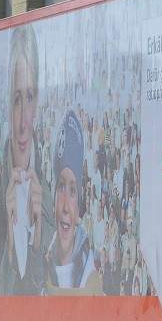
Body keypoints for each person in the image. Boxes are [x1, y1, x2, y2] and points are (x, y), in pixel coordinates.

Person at [0, 26, 53, 294]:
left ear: (37, 101)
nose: (23, 121)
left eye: (29, 97)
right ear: (7, 104)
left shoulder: (54, 200)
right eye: (16, 99)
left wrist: (34, 249)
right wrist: (10, 251)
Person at [45, 110, 103, 295]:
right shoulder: (39, 274)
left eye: (72, 190)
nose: (65, 208)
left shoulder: (91, 280)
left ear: (78, 210)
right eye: (61, 187)